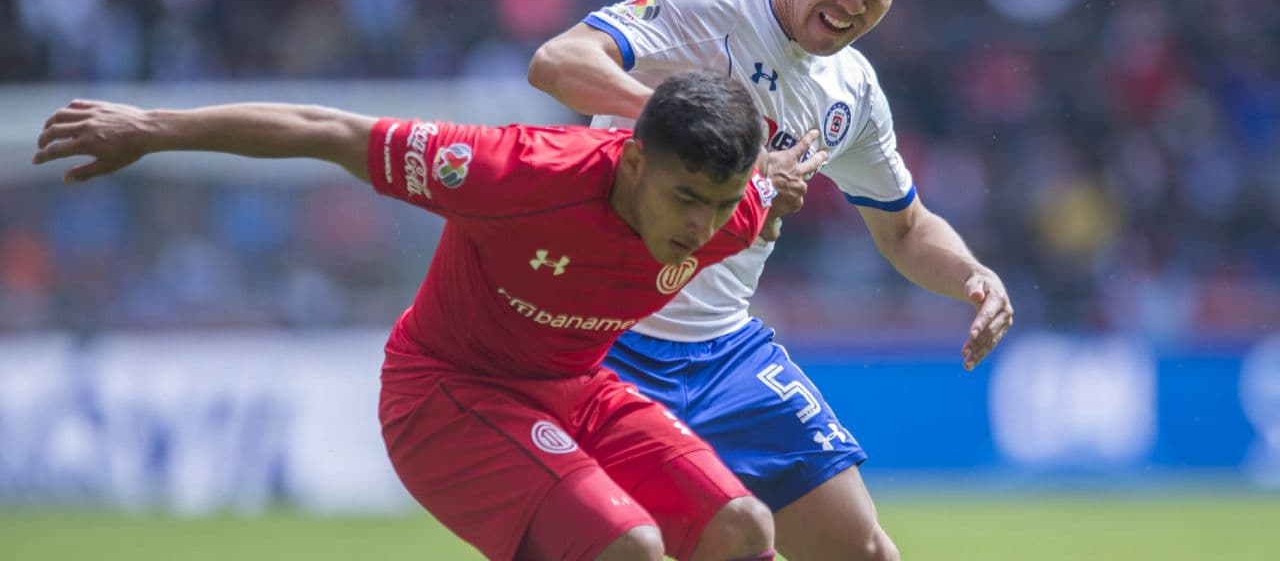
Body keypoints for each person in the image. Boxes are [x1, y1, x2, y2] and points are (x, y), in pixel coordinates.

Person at [31, 70, 826, 561]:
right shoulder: (510, 172)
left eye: (719, 203)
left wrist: (767, 188)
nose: (700, 224)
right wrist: (152, 129)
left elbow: (761, 192)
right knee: (627, 546)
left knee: (743, 530)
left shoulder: (738, 212)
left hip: (574, 389)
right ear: (634, 155)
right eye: (686, 198)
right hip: (445, 396)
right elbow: (329, 132)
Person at [528, 0, 1015, 561]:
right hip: (609, 341)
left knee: (868, 552)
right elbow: (558, 62)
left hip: (725, 353)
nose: (853, 6)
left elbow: (905, 228)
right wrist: (702, 133)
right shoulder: (706, 1)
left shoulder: (851, 92)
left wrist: (975, 276)